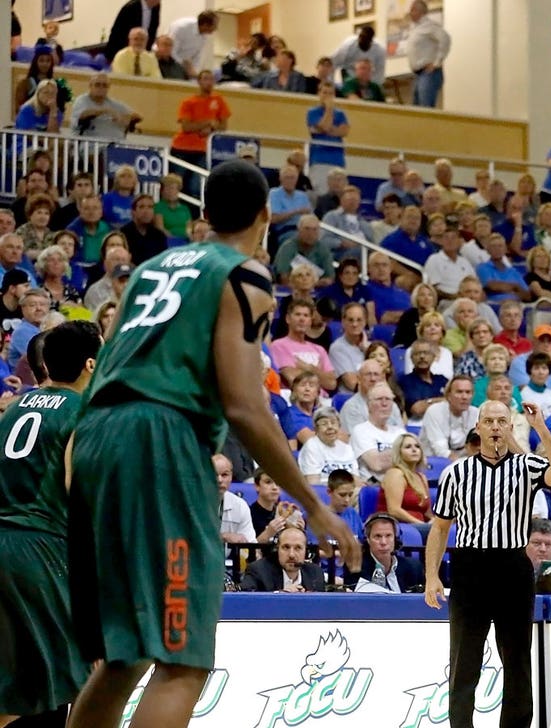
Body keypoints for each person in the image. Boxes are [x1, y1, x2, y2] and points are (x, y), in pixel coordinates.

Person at [64, 160, 360, 728]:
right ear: (266, 215)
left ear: (203, 213)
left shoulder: (150, 269)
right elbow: (245, 406)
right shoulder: (244, 274)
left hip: (96, 434)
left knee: (124, 654)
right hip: (160, 438)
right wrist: (315, 503)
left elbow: (108, 362)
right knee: (184, 660)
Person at [423, 401, 551, 728]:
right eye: (489, 421)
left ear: (510, 428)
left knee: (517, 660)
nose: (496, 427)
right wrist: (432, 576)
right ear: (479, 426)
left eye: (503, 421)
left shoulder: (527, 466)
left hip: (513, 566)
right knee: (464, 661)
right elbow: (440, 527)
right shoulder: (456, 472)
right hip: (470, 567)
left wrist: (541, 427)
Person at [0, 322, 100, 727]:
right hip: (41, 549)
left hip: (5, 541)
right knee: (82, 675)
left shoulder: (15, 407)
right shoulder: (83, 414)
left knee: (19, 684)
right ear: (91, 364)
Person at [170, 71, 230, 200]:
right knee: (177, 183)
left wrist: (212, 128)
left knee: (196, 185)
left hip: (203, 150)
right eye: (205, 79)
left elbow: (223, 126)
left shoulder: (218, 100)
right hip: (182, 148)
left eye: (211, 79)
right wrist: (208, 123)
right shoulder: (188, 102)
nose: (209, 82)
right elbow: (186, 127)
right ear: (199, 82)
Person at [344, 513, 421, 593]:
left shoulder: (413, 568)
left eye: (388, 536)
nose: (383, 542)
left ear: (396, 538)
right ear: (368, 539)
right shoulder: (355, 567)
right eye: (377, 536)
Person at [239, 524, 326, 592]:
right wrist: (279, 595)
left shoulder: (315, 573)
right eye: (286, 547)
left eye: (298, 548)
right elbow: (247, 601)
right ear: (277, 550)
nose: (291, 554)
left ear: (306, 552)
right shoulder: (259, 570)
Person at [405, 0, 451, 107]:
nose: (410, 12)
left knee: (426, 107)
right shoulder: (414, 28)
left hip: (429, 73)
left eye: (412, 10)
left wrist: (437, 62)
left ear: (420, 11)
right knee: (416, 109)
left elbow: (445, 39)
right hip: (418, 73)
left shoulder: (429, 26)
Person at [70, 74, 140, 141]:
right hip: (91, 144)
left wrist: (125, 117)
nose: (101, 88)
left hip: (116, 143)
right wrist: (105, 111)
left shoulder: (113, 103)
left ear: (108, 87)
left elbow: (138, 116)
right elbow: (83, 114)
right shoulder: (82, 100)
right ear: (90, 86)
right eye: (97, 85)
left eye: (105, 85)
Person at [167, 11, 219, 79]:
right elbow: (171, 52)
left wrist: (194, 73)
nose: (216, 28)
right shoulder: (182, 27)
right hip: (168, 63)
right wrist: (185, 65)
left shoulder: (204, 35)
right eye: (215, 26)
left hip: (183, 66)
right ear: (205, 25)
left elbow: (197, 56)